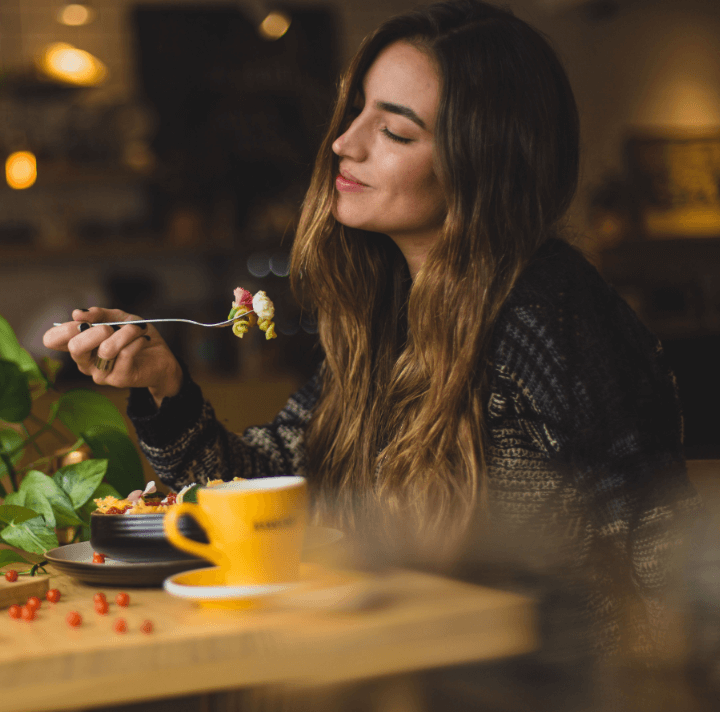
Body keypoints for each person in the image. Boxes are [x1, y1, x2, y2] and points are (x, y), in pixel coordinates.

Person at [44, 0, 698, 660]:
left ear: (484, 167)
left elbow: (660, 554)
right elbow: (271, 489)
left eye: (398, 132)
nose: (343, 142)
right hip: (420, 672)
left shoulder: (548, 318)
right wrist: (164, 385)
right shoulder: (393, 316)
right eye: (356, 109)